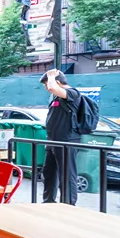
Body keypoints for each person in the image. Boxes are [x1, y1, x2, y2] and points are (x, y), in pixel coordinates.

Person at [40, 69, 81, 205]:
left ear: (57, 82)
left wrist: (51, 76)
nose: (47, 88)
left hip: (66, 141)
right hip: (53, 141)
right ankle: (49, 201)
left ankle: (68, 205)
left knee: (67, 175)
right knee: (49, 173)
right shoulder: (57, 98)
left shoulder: (72, 93)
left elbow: (52, 87)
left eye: (46, 85)